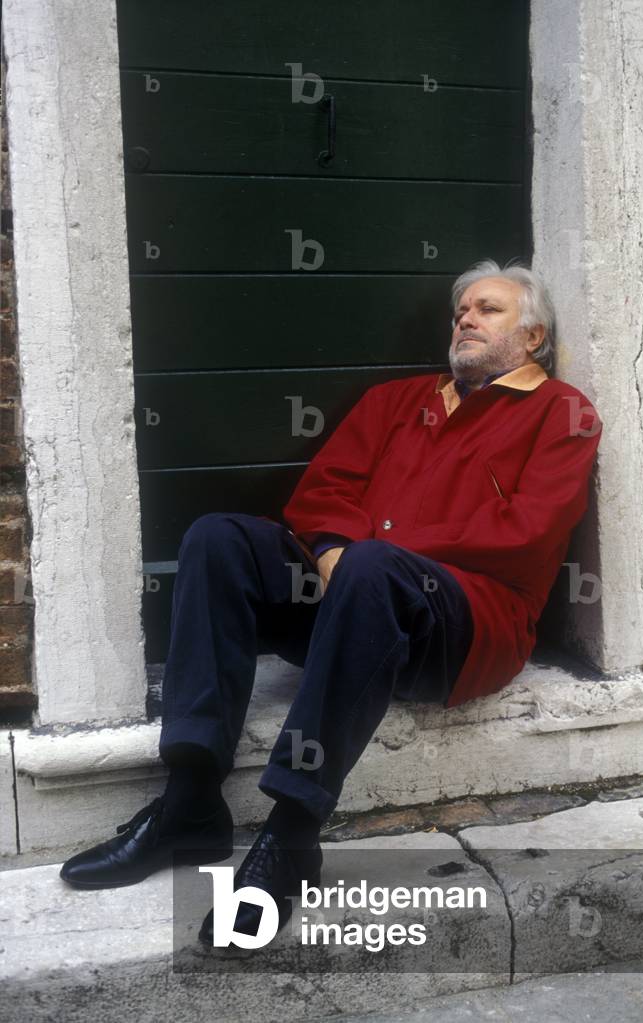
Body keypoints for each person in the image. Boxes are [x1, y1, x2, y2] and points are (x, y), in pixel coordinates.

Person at [60, 258, 603, 947]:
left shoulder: (563, 413)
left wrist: (372, 554)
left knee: (375, 566)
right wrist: (335, 556)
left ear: (532, 337)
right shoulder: (395, 402)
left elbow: (524, 535)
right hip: (352, 596)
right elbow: (323, 491)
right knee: (217, 538)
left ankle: (291, 835)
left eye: (487, 308)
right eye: (458, 309)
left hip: (466, 624)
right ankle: (191, 798)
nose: (464, 317)